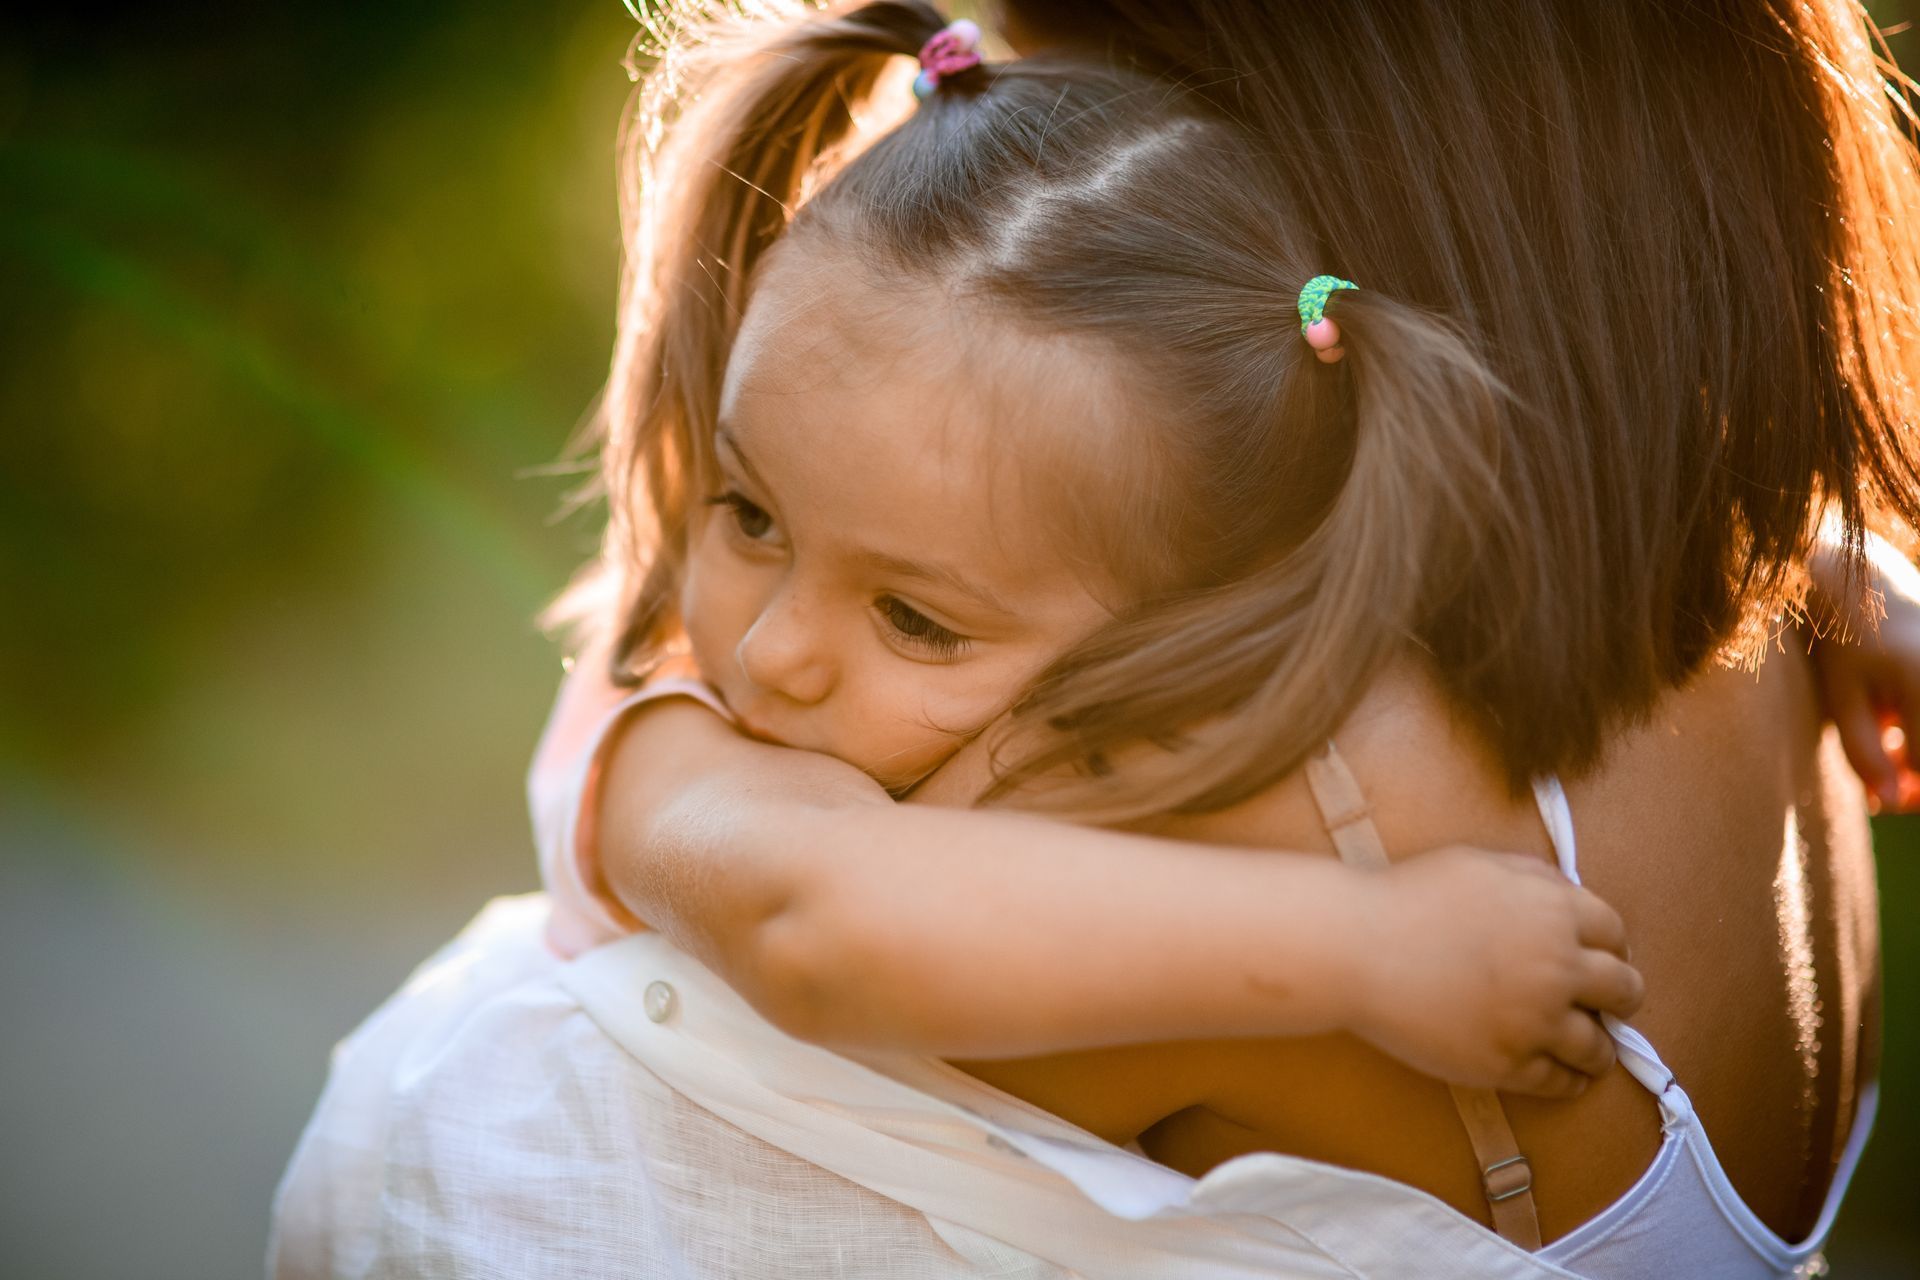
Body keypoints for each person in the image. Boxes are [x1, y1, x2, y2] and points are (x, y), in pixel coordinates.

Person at [272, 1, 1920, 1275]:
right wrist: (1367, 948)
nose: (772, 656)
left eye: (916, 616)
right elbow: (808, 908)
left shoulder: (1214, 751)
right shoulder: (694, 749)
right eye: (746, 513)